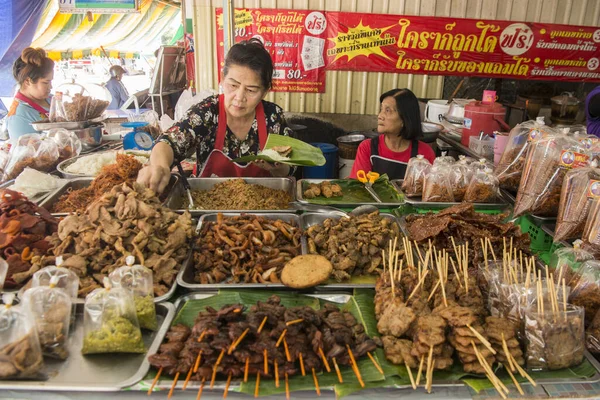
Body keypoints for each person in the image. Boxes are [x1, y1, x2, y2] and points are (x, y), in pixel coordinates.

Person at [137, 38, 293, 193]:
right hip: (208, 204)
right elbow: (169, 142)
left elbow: (288, 170)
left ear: (265, 91)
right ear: (222, 78)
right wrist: (158, 165)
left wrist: (277, 167)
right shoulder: (207, 112)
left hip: (263, 206)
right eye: (233, 85)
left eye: (251, 90)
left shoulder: (273, 117)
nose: (239, 97)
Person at [350, 88, 436, 180]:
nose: (380, 116)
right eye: (381, 110)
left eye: (387, 110)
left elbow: (429, 190)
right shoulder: (368, 148)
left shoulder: (424, 154)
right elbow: (357, 188)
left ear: (404, 119)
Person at [6, 47, 54, 139]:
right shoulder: (18, 116)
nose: (51, 87)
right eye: (46, 82)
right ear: (28, 81)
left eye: (51, 81)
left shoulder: (51, 99)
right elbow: (25, 151)